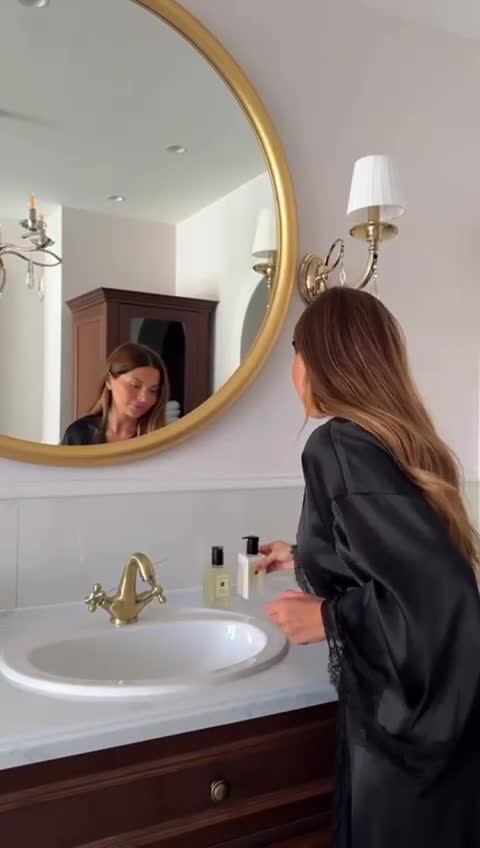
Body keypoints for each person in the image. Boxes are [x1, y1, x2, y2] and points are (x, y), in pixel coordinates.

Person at [257, 287, 480, 848]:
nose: (294, 371)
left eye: (297, 353)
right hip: (441, 727)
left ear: (319, 361)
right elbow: (398, 559)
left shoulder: (337, 445)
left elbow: (440, 594)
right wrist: (303, 555)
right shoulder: (400, 444)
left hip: (402, 737)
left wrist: (329, 618)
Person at [62, 342, 169, 445]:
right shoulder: (79, 434)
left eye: (153, 390)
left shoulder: (161, 440)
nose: (144, 398)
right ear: (109, 381)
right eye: (135, 386)